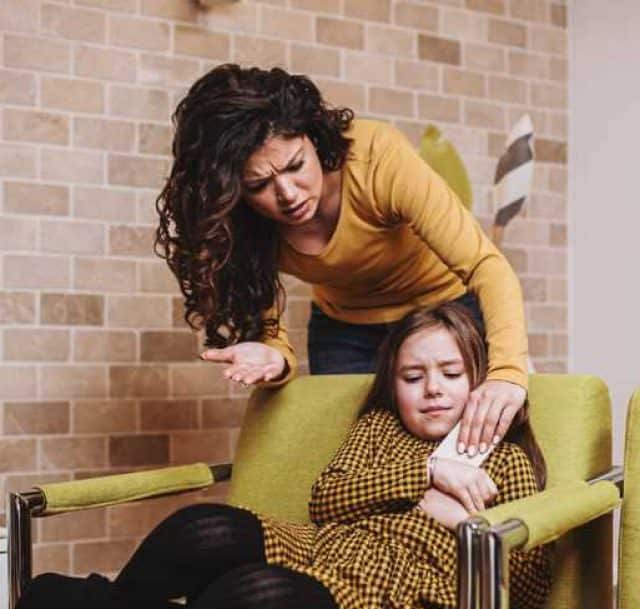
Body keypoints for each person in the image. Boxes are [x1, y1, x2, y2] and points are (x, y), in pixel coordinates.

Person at [14, 304, 550, 609]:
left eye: (451, 374)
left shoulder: (504, 459)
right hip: (318, 549)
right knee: (201, 530)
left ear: (480, 380)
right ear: (393, 383)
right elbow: (327, 499)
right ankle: (120, 608)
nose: (432, 389)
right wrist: (424, 474)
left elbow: (526, 594)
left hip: (393, 601)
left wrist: (472, 526)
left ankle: (93, 607)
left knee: (250, 599)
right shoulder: (380, 427)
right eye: (413, 377)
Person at [155, 64, 529, 458]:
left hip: (443, 312)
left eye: (296, 164)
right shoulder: (244, 226)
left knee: (473, 449)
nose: (287, 194)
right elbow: (276, 345)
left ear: (314, 138)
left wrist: (507, 374)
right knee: (355, 457)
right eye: (259, 185)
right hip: (346, 330)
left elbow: (487, 265)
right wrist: (275, 359)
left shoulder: (375, 158)